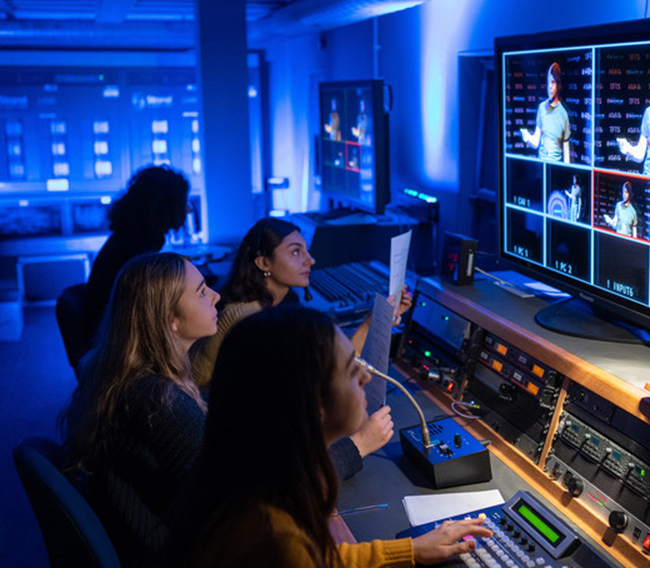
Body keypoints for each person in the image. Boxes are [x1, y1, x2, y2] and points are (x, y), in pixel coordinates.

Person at [168, 306, 492, 568]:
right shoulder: (273, 532)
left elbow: (319, 559)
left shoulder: (251, 476)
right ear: (311, 403)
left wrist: (411, 550)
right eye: (352, 370)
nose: (365, 377)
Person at [189, 217, 408, 479]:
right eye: (296, 252)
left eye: (306, 250)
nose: (310, 260)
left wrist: (373, 320)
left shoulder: (275, 307)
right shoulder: (246, 318)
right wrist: (358, 443)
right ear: (264, 263)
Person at [61, 252, 219, 565]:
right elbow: (238, 500)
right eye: (202, 292)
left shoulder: (124, 378)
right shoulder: (161, 404)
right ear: (169, 319)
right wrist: (344, 447)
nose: (216, 296)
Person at [83, 165, 190, 348]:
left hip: (107, 337)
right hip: (118, 345)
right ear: (166, 205)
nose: (187, 209)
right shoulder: (141, 246)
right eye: (182, 202)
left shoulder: (128, 237)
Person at [519, 62, 571, 163]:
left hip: (557, 169)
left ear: (558, 84)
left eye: (553, 82)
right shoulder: (542, 108)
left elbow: (566, 149)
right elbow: (536, 143)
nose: (550, 86)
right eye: (548, 82)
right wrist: (527, 138)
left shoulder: (564, 114)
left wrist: (566, 172)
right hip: (541, 166)